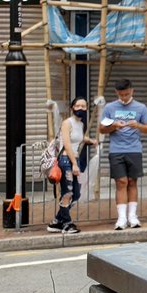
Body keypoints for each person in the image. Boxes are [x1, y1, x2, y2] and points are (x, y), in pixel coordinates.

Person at [100, 79, 147, 229]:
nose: (124, 97)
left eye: (127, 94)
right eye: (121, 94)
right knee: (121, 182)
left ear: (132, 91)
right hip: (116, 150)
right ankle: (121, 218)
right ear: (117, 93)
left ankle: (133, 217)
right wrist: (113, 126)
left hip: (134, 149)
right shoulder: (109, 107)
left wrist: (138, 125)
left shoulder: (141, 108)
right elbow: (101, 129)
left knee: (132, 182)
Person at [48, 98, 97, 234]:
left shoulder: (80, 124)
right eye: (77, 105)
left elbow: (78, 139)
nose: (80, 108)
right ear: (72, 107)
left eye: (83, 106)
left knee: (76, 193)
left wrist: (90, 140)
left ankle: (57, 221)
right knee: (68, 192)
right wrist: (74, 164)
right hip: (66, 161)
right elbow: (67, 144)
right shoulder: (66, 123)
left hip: (74, 159)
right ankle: (67, 224)